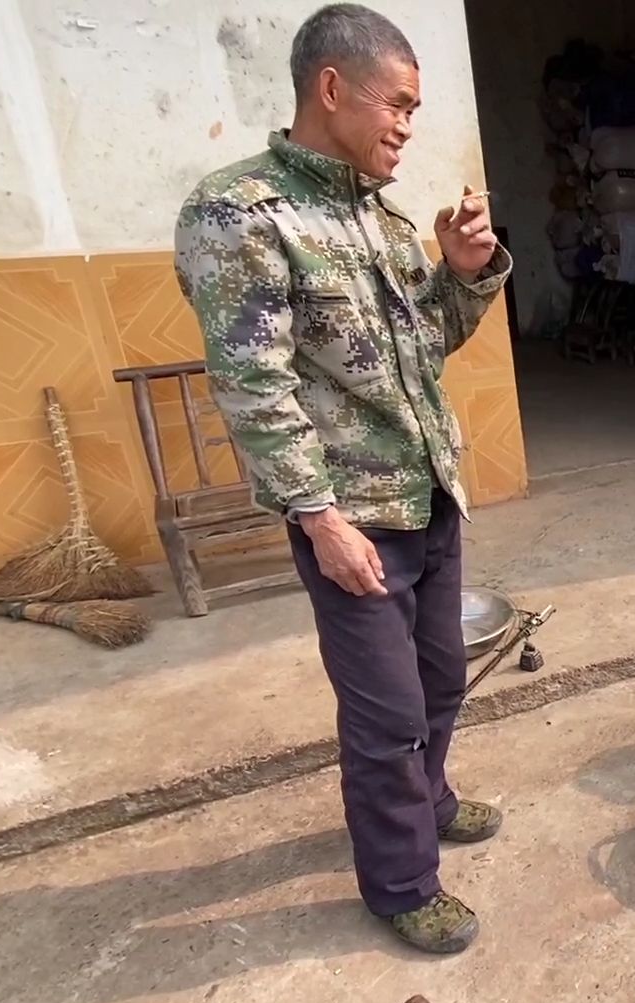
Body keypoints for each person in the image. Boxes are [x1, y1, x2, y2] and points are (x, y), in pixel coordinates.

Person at [175, 3, 513, 954]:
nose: (408, 123)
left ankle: (430, 801)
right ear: (332, 88)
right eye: (397, 103)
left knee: (441, 679)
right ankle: (402, 883)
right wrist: (319, 519)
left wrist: (463, 274)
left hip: (429, 495)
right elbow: (252, 385)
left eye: (414, 107)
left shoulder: (387, 218)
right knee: (387, 715)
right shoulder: (238, 213)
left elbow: (429, 345)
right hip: (350, 517)